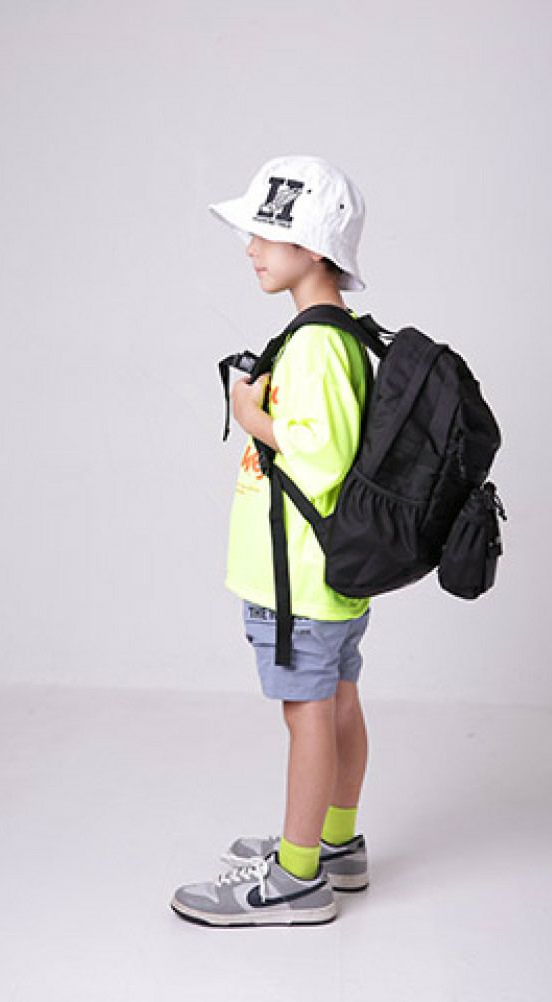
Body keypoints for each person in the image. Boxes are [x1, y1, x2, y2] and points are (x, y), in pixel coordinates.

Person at [169, 155, 374, 927]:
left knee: (307, 714)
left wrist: (250, 414)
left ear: (313, 248)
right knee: (337, 702)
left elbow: (321, 458)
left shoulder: (317, 345)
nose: (251, 248)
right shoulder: (331, 336)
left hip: (299, 579)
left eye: (265, 233)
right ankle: (333, 842)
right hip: (325, 576)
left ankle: (295, 876)